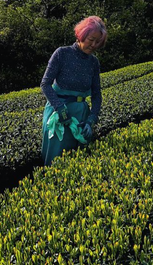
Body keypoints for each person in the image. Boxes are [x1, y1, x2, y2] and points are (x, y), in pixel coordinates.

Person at [40, 16, 106, 166]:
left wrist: (91, 120)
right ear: (82, 34)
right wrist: (59, 108)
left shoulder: (93, 62)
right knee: (55, 161)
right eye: (91, 39)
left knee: (77, 162)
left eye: (98, 42)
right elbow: (45, 84)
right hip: (58, 114)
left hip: (80, 116)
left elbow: (96, 94)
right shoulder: (62, 54)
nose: (94, 45)